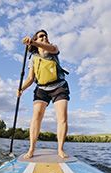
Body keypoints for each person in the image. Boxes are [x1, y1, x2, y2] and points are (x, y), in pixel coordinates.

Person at [17, 30, 70, 159]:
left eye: (45, 35)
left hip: (59, 86)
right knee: (36, 116)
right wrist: (21, 89)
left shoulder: (53, 49)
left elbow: (51, 48)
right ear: (36, 39)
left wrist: (33, 42)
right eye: (41, 36)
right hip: (41, 88)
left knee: (62, 117)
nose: (45, 37)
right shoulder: (33, 59)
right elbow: (30, 79)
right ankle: (31, 149)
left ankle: (60, 149)